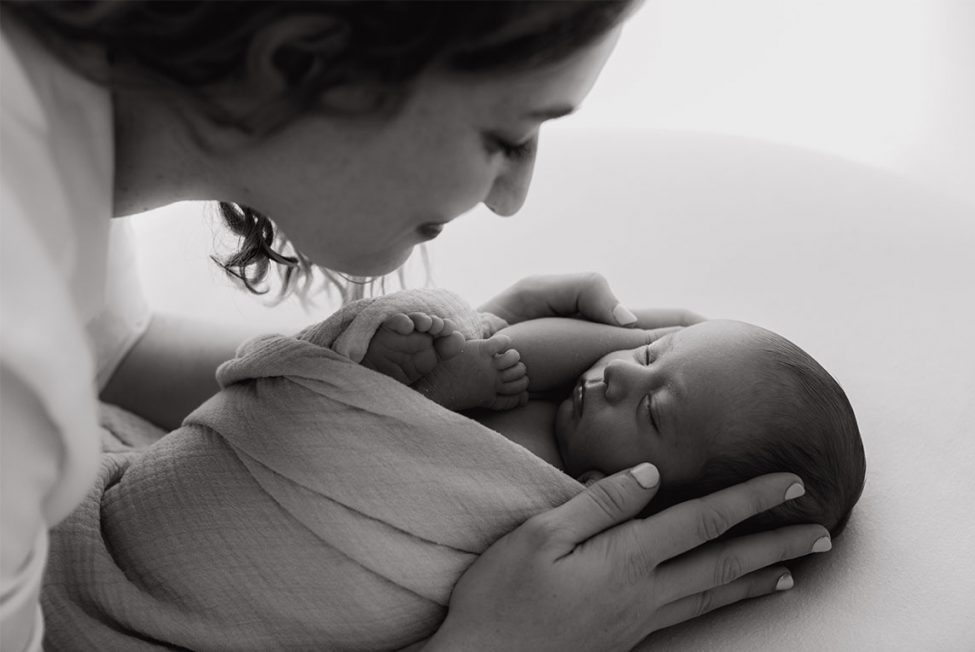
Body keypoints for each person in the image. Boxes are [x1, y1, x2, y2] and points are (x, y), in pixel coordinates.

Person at [0, 3, 832, 651]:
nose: (512, 198)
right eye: (506, 136)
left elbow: (112, 352)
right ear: (303, 61)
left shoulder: (48, 117)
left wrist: (431, 376)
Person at [363, 307, 866, 538]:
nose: (620, 371)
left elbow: (405, 458)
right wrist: (649, 330)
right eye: (649, 354)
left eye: (651, 411)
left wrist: (441, 390)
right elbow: (513, 344)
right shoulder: (569, 388)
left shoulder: (558, 499)